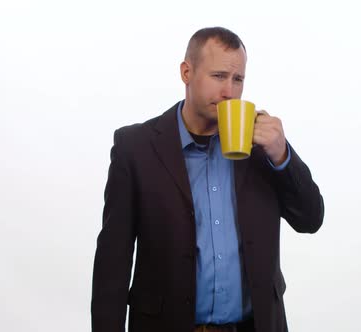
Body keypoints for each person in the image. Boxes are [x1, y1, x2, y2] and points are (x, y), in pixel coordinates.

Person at [91, 26, 324, 332]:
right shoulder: (136, 148)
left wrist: (282, 156)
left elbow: (310, 219)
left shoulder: (262, 146)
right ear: (187, 72)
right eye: (218, 76)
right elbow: (113, 262)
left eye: (237, 79)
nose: (229, 91)